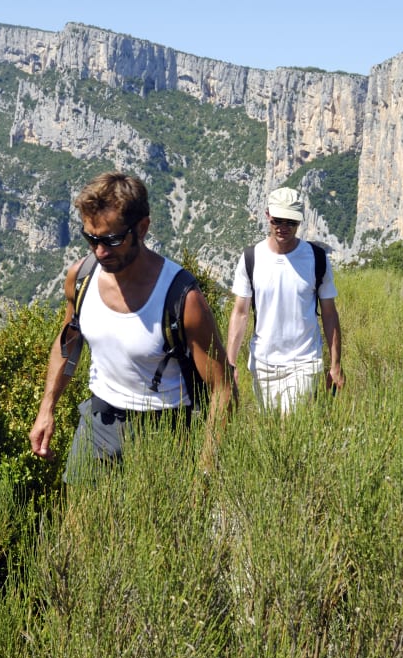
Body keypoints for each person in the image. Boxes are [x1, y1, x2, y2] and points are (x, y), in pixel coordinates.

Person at [29, 172, 235, 483]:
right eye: (91, 239)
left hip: (165, 431)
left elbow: (222, 389)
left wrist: (205, 470)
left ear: (142, 228)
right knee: (79, 528)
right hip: (99, 422)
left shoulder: (182, 298)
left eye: (112, 240)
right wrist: (47, 408)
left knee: (156, 530)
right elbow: (68, 343)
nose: (100, 252)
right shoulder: (81, 277)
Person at [226, 186, 344, 414]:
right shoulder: (251, 258)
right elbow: (240, 312)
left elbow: (329, 314)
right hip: (263, 365)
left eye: (291, 222)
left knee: (290, 428)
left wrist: (336, 364)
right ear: (268, 215)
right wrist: (230, 363)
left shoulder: (316, 259)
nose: (283, 228)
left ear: (299, 222)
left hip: (303, 361)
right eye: (278, 220)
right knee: (270, 436)